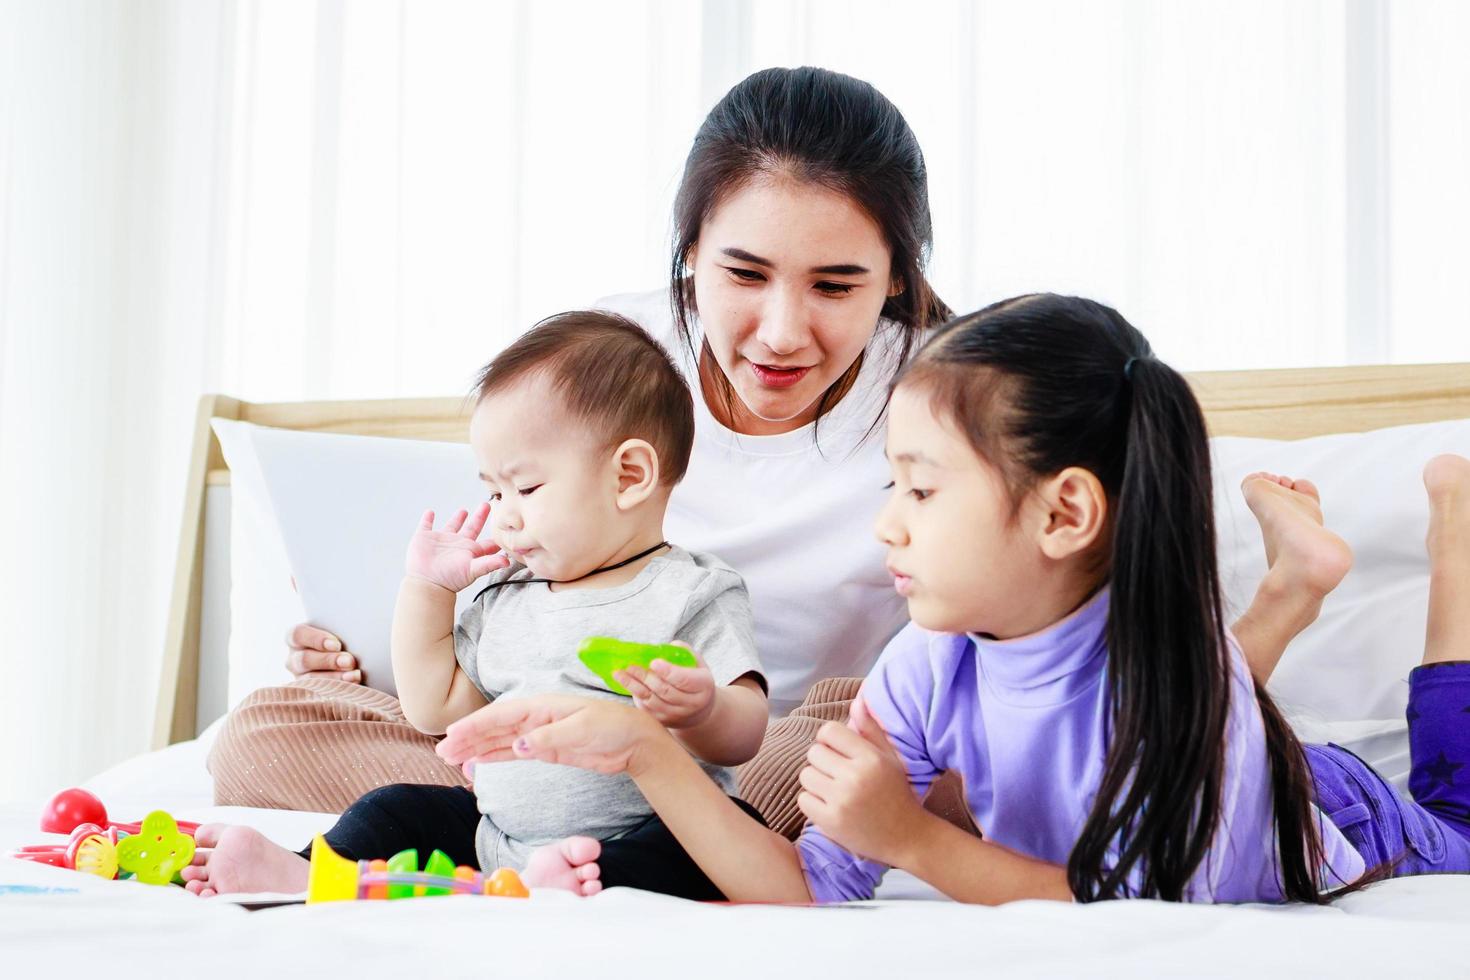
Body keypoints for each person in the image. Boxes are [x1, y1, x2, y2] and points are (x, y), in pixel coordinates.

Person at [210, 67, 1338, 840]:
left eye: (837, 284)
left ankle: (662, 809)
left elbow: (1073, 615)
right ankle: (601, 805)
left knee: (881, 750)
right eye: (743, 275)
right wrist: (391, 634)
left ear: (896, 274)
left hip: (796, 731)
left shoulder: (950, 390)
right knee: (257, 733)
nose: (783, 330)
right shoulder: (605, 356)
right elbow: (520, 537)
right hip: (566, 713)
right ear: (690, 249)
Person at [436, 294, 1470, 903]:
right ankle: (1295, 584)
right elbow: (803, 890)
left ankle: (1453, 519)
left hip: (1346, 817)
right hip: (1173, 717)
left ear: (1063, 514)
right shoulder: (928, 660)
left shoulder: (1197, 724)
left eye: (922, 489)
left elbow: (1127, 912)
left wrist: (916, 841)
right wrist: (646, 749)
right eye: (893, 483)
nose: (888, 522)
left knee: (1455, 802)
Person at [183, 312, 768, 899]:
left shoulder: (692, 592)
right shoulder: (507, 597)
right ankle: (308, 870)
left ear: (631, 475)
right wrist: (428, 589)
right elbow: (431, 707)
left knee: (729, 832)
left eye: (527, 488)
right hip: (499, 840)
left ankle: (568, 886)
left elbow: (744, 734)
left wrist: (702, 710)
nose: (505, 515)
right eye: (493, 491)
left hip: (640, 835)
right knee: (398, 808)